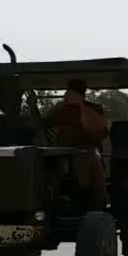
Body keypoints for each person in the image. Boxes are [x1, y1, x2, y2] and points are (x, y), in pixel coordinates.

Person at [28, 79, 109, 210]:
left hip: (87, 149)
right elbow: (41, 124)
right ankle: (49, 200)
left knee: (93, 168)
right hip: (63, 150)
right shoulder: (60, 110)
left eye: (69, 94)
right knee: (47, 167)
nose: (65, 96)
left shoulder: (94, 109)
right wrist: (33, 107)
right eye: (66, 93)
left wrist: (82, 112)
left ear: (80, 96)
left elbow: (102, 132)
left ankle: (99, 206)